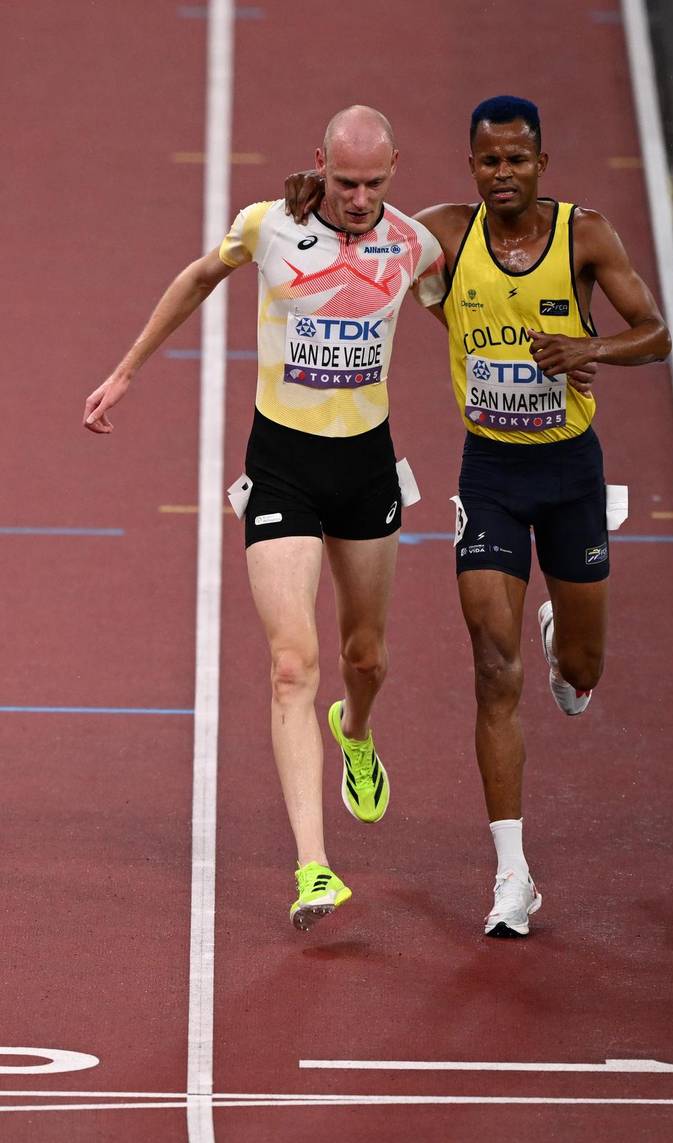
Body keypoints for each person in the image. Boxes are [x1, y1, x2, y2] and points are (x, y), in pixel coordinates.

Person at [287, 95, 671, 939]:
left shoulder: (586, 235)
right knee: (492, 667)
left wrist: (589, 349)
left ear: (542, 162)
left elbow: (655, 332)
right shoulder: (447, 235)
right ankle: (511, 873)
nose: (504, 175)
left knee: (583, 671)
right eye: (489, 162)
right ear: (471, 167)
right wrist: (308, 195)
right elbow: (363, 229)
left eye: (518, 160)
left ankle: (561, 643)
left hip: (570, 473)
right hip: (490, 470)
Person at [83, 105, 445, 930]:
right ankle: (314, 867)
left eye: (374, 184)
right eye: (344, 181)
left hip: (367, 469)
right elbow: (198, 277)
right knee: (291, 663)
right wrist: (127, 371)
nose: (358, 198)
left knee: (367, 655)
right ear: (319, 162)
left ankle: (356, 731)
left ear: (396, 172)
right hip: (281, 465)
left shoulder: (414, 242)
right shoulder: (269, 227)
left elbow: (454, 311)